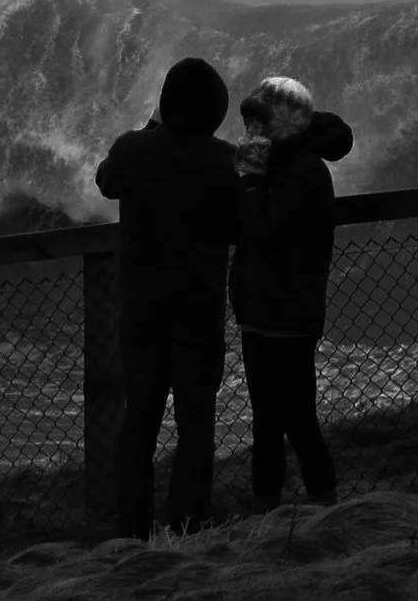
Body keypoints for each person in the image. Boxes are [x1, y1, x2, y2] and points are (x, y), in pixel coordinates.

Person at [95, 56, 240, 539]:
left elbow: (106, 180)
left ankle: (133, 532)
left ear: (166, 105)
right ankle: (188, 528)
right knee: (196, 427)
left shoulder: (134, 150)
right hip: (199, 314)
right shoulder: (227, 161)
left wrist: (148, 127)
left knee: (139, 423)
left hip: (142, 313)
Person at [230, 75, 354, 511]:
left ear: (281, 124)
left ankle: (325, 510)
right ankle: (268, 516)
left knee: (297, 421)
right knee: (266, 423)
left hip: (286, 313)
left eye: (258, 122)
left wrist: (247, 180)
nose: (251, 132)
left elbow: (262, 228)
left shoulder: (303, 172)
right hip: (260, 309)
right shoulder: (281, 164)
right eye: (249, 122)